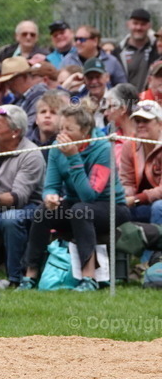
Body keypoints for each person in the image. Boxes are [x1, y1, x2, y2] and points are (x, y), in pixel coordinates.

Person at [20, 104, 129, 292]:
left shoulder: (102, 148)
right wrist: (50, 197)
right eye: (61, 128)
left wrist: (73, 157)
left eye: (69, 129)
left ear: (85, 131)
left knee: (81, 210)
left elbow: (89, 195)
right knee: (43, 211)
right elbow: (51, 185)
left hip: (111, 207)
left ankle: (89, 278)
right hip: (75, 203)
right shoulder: (57, 148)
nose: (62, 134)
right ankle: (30, 276)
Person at [0, 105, 45, 289]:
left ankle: (15, 278)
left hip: (28, 208)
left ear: (15, 132)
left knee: (11, 218)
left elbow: (17, 199)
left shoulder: (31, 155)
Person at [119, 100, 162, 224]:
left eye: (146, 120)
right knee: (117, 209)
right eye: (137, 121)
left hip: (154, 202)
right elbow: (126, 181)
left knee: (158, 207)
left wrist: (136, 199)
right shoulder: (129, 145)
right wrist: (124, 197)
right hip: (140, 202)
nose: (140, 125)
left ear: (160, 123)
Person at [0, 57, 46, 136]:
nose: (8, 86)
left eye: (11, 81)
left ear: (24, 77)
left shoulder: (41, 98)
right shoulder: (18, 99)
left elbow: (26, 132)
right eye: (6, 82)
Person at [61, 25, 127, 87]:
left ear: (95, 41)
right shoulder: (68, 61)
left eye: (82, 39)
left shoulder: (111, 61)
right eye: (76, 39)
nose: (78, 42)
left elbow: (122, 87)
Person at [117, 8, 157, 92]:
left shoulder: (157, 50)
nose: (139, 27)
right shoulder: (118, 52)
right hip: (126, 98)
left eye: (143, 24)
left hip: (152, 98)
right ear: (128, 24)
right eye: (135, 23)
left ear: (149, 26)